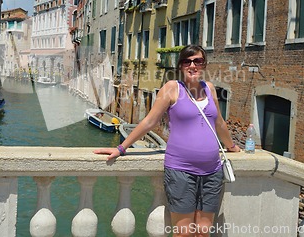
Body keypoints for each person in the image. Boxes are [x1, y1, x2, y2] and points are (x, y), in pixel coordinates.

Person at [94, 45, 240, 237]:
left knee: (204, 231)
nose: (193, 65)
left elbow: (219, 122)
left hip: (212, 172)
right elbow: (149, 122)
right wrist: (121, 148)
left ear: (204, 65)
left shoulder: (209, 89)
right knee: (184, 233)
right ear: (181, 65)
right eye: (187, 61)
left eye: (198, 61)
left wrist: (231, 146)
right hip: (181, 171)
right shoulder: (172, 88)